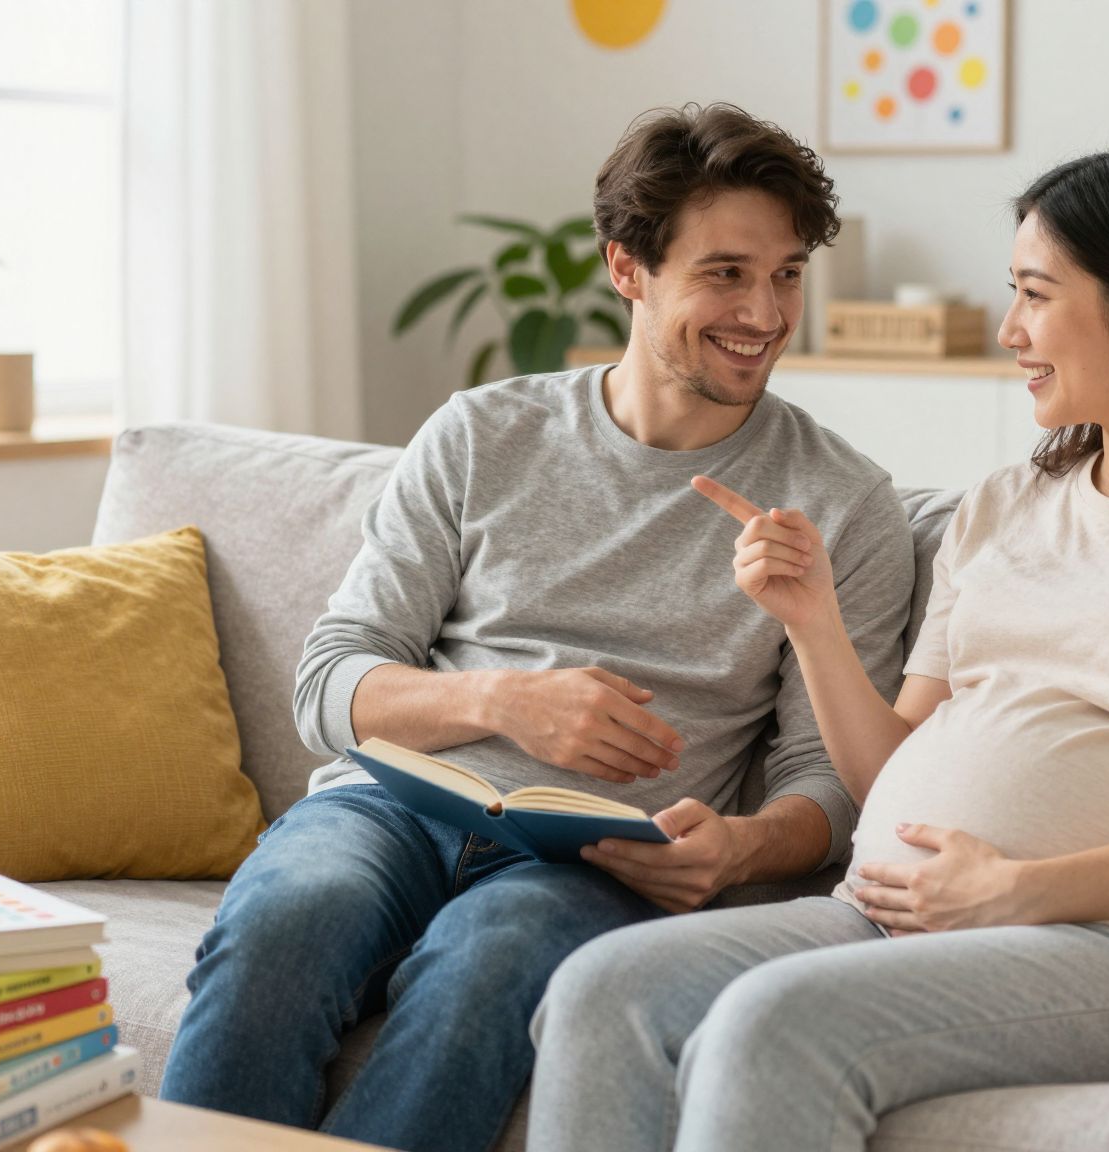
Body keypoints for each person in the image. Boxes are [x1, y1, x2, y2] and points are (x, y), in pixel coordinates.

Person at [527, 142, 1109, 1152]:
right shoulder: (1000, 507)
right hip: (888, 917)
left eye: (1034, 294)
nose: (1009, 329)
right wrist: (810, 621)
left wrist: (1021, 888)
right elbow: (891, 766)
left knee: (773, 1027)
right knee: (603, 987)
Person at [156, 103, 916, 1152]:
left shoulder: (839, 503)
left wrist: (741, 848)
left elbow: (826, 782)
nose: (764, 310)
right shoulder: (483, 432)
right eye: (725, 273)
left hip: (595, 865)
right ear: (627, 268)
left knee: (490, 961)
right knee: (287, 923)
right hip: (392, 812)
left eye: (785, 273)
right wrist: (499, 700)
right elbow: (327, 683)